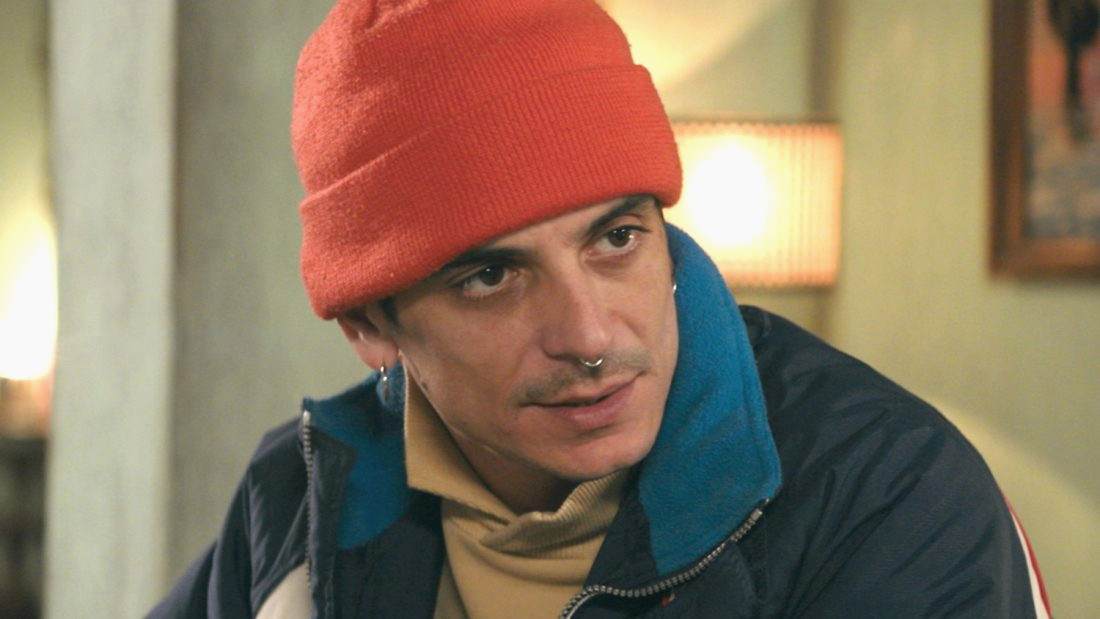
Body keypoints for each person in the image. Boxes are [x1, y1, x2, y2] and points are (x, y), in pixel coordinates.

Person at [151, 0, 1050, 617]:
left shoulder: (889, 492)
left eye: (616, 238)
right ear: (369, 326)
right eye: (490, 277)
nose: (588, 335)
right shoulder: (302, 495)